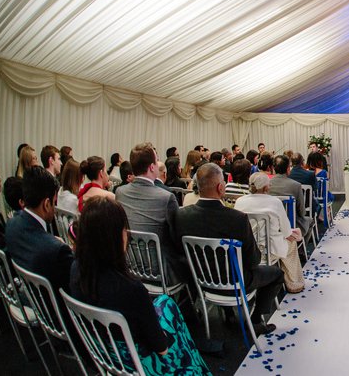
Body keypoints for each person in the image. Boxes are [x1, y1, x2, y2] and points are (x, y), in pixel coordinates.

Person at [71, 197, 209, 375]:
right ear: (115, 237)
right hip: (139, 363)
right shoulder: (131, 290)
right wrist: (168, 333)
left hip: (104, 355)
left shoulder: (76, 270)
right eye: (124, 229)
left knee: (164, 303)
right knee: (169, 307)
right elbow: (161, 348)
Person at [175, 163, 284, 335]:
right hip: (235, 281)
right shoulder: (236, 218)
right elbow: (253, 260)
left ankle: (228, 314)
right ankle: (255, 319)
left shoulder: (181, 215)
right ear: (220, 187)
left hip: (200, 280)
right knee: (277, 274)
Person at [116, 143, 185, 287]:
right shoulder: (166, 197)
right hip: (160, 270)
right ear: (152, 167)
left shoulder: (120, 192)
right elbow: (177, 238)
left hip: (130, 265)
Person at [6, 167, 74, 298]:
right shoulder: (57, 251)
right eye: (54, 203)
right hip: (52, 312)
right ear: (46, 204)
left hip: (25, 298)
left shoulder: (11, 224)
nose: (54, 208)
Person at [235, 172, 305, 293]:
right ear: (267, 187)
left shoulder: (240, 201)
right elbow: (287, 232)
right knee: (291, 244)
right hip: (268, 251)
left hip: (246, 250)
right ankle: (294, 283)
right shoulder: (275, 202)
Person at [269, 155, 309, 236]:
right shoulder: (296, 185)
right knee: (309, 221)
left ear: (273, 168)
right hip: (291, 224)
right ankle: (299, 246)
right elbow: (302, 212)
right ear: (288, 169)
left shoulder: (266, 184)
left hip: (271, 224)